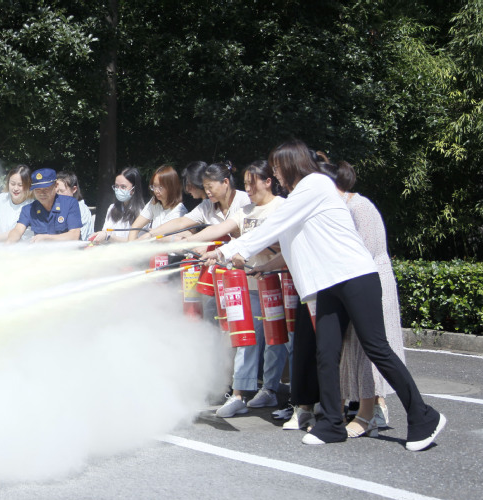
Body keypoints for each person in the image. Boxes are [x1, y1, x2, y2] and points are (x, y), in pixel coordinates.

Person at [211, 139, 445, 450]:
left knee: (376, 347)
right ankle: (332, 424)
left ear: (292, 165)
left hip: (356, 277)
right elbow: (287, 242)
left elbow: (274, 224)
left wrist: (227, 250)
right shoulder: (300, 198)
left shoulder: (316, 184)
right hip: (327, 285)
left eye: (278, 167)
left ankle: (424, 416)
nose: (275, 174)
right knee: (326, 353)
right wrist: (237, 257)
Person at [198, 161, 289, 417]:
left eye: (252, 183)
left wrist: (246, 248)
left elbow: (282, 245)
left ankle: (270, 389)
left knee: (276, 341)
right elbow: (220, 229)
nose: (247, 189)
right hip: (248, 285)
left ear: (268, 181)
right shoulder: (245, 210)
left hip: (276, 284)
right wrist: (196, 242)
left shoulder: (282, 207)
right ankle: (239, 394)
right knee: (245, 338)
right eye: (246, 184)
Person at [335, 161, 405, 435]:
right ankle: (367, 407)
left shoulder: (359, 206)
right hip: (353, 282)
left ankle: (373, 410)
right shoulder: (341, 208)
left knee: (370, 348)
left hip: (372, 281)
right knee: (354, 347)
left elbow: (368, 251)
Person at [146, 161, 250, 241]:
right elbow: (181, 222)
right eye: (205, 188)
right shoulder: (207, 205)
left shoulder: (245, 201)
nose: (207, 192)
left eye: (210, 187)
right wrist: (152, 234)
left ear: (225, 182)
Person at [6, 168, 83, 243]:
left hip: (68, 250)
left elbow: (74, 235)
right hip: (42, 251)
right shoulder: (28, 209)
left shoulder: (70, 203)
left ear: (56, 186)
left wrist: (47, 238)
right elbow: (17, 230)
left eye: (46, 189)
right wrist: (10, 241)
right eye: (37, 190)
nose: (42, 193)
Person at [127, 165, 187, 240]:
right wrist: (131, 244)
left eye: (160, 187)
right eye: (154, 186)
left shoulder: (179, 211)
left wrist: (151, 235)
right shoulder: (154, 202)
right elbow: (135, 227)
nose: (156, 191)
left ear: (171, 187)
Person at [89, 167, 147, 243]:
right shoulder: (112, 208)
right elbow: (106, 232)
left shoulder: (143, 213)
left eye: (123, 187)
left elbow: (137, 241)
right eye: (116, 186)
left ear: (133, 190)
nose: (119, 189)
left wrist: (109, 237)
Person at [0, 165, 33, 243]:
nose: (15, 188)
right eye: (12, 184)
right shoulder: (2, 198)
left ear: (28, 186)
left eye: (20, 185)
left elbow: (17, 232)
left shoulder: (31, 206)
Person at [55, 171, 95, 241]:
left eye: (62, 191)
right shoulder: (56, 206)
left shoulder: (81, 209)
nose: (58, 195)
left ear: (74, 189)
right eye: (56, 191)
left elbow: (79, 240)